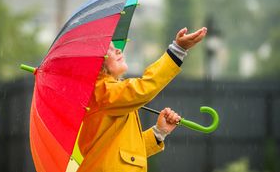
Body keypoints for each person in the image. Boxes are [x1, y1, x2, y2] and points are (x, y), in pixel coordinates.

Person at [77, 27, 207, 172]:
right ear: (95, 62)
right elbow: (144, 88)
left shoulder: (111, 95)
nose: (118, 51)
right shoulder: (104, 92)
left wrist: (159, 132)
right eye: (109, 50)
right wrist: (177, 50)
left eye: (116, 48)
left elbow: (126, 154)